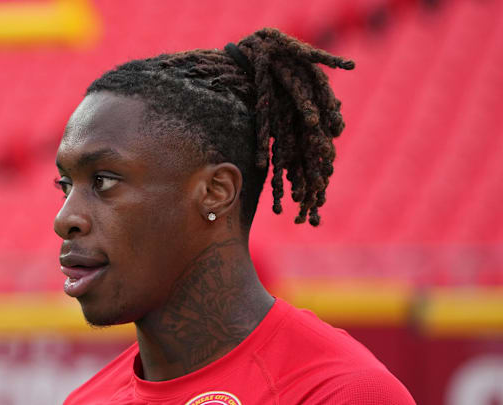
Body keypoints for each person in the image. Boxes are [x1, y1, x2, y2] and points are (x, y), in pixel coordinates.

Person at [53, 28, 415, 404]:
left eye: (104, 181)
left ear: (216, 192)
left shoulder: (343, 393)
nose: (65, 219)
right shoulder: (86, 400)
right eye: (65, 185)